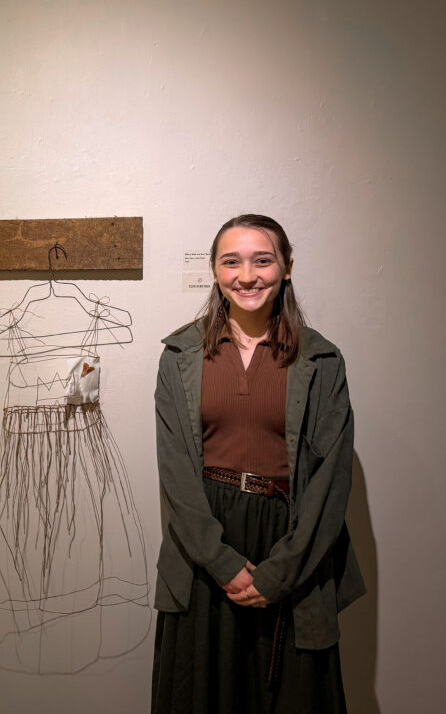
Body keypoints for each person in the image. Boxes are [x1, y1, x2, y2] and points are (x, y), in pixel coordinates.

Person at [151, 214, 365, 713]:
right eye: (232, 262)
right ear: (214, 270)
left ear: (287, 267)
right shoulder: (179, 354)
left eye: (262, 260)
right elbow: (175, 472)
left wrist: (279, 574)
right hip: (205, 548)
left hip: (290, 544)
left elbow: (331, 483)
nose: (247, 276)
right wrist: (222, 563)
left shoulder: (322, 360)